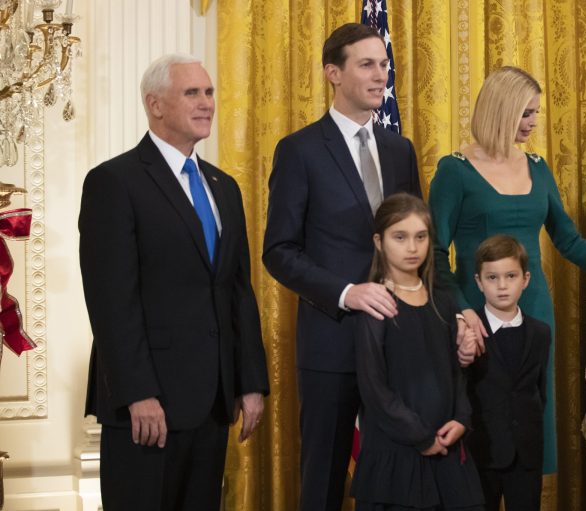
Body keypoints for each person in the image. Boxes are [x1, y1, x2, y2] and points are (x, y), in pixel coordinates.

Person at [428, 66, 586, 473]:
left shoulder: (537, 166)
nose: (534, 122)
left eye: (536, 113)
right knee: (482, 431)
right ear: (501, 110)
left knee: (527, 427)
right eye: (526, 113)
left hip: (533, 311)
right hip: (476, 317)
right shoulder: (454, 170)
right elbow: (433, 254)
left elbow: (568, 241)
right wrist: (463, 311)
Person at [79, 54, 269, 510]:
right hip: (149, 405)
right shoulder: (114, 181)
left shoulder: (224, 186)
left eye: (209, 93)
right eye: (192, 93)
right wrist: (138, 393)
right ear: (155, 104)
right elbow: (111, 301)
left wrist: (250, 381)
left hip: (212, 401)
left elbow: (238, 291)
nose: (207, 103)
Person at [262, 23, 422, 511]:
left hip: (400, 341)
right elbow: (279, 251)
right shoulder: (300, 151)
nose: (381, 75)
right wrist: (346, 292)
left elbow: (421, 240)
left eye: (384, 64)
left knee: (398, 478)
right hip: (333, 344)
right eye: (367, 64)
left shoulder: (400, 149)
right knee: (324, 480)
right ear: (334, 73)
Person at [351, 193, 484, 511]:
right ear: (379, 242)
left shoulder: (443, 299)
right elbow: (374, 388)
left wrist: (462, 418)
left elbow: (456, 374)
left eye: (420, 237)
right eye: (400, 237)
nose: (412, 248)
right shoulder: (376, 303)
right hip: (397, 453)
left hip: (448, 446)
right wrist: (421, 436)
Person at [462, 234, 550, 511]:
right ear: (478, 282)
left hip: (526, 455)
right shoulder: (467, 330)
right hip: (482, 452)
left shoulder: (540, 333)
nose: (502, 286)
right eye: (492, 278)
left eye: (510, 276)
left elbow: (539, 391)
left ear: (525, 279)